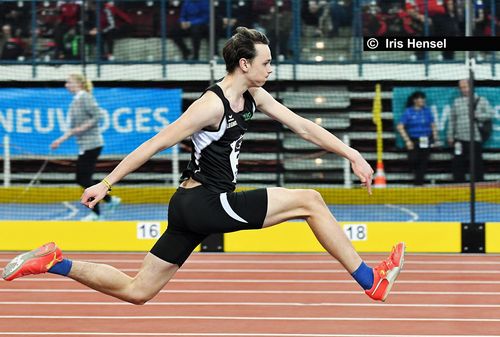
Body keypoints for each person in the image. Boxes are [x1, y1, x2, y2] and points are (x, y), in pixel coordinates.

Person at [2, 27, 404, 304]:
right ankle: (371, 281)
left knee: (137, 290)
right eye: (265, 62)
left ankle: (55, 261)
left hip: (190, 206)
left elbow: (301, 125)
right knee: (311, 200)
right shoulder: (210, 105)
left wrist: (351, 154)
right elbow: (155, 143)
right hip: (204, 203)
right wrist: (106, 183)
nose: (271, 69)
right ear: (244, 64)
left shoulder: (254, 96)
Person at [49, 73, 121, 221]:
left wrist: (82, 128)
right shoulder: (76, 100)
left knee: (82, 178)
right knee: (83, 178)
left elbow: (97, 116)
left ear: (79, 84)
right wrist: (60, 140)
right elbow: (73, 129)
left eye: (69, 82)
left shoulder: (85, 97)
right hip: (85, 145)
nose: (66, 85)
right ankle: (109, 201)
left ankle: (97, 212)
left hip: (92, 144)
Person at [447, 79, 494, 183]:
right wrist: (450, 135)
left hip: (475, 138)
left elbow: (490, 114)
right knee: (457, 162)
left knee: (476, 162)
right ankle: (459, 184)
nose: (463, 90)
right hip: (459, 138)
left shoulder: (481, 100)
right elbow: (452, 119)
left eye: (464, 87)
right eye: (461, 88)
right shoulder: (457, 101)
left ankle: (479, 184)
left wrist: (478, 115)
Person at [397, 91, 438, 186]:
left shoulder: (427, 111)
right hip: (414, 140)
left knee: (423, 161)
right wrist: (407, 140)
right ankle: (416, 177)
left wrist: (435, 137)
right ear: (415, 100)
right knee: (413, 159)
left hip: (426, 140)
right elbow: (400, 126)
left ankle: (419, 183)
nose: (423, 100)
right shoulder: (409, 112)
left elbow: (433, 125)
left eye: (423, 98)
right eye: (420, 98)